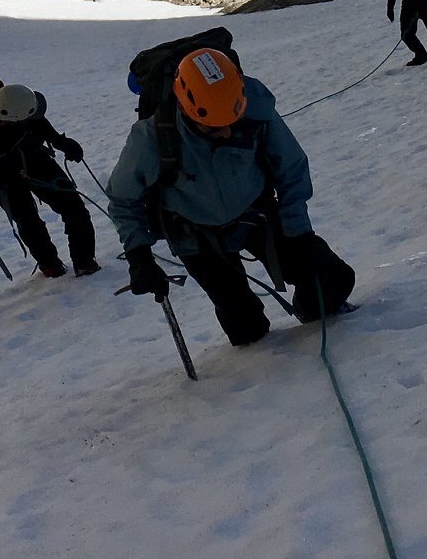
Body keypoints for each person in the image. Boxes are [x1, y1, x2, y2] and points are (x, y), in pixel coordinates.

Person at [107, 45, 354, 346]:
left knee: (332, 278)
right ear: (186, 108)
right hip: (195, 235)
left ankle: (311, 313)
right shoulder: (152, 139)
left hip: (256, 215)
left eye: (230, 124)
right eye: (213, 128)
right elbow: (123, 199)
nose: (225, 133)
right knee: (245, 328)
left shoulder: (254, 111)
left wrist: (297, 229)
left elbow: (291, 167)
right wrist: (139, 255)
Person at [0, 80, 98, 278]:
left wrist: (61, 142)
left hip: (33, 159)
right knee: (30, 221)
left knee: (71, 207)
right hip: (2, 177)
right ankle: (51, 265)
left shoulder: (21, 109)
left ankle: (83, 261)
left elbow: (40, 123)